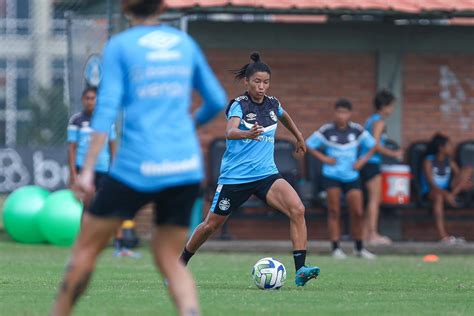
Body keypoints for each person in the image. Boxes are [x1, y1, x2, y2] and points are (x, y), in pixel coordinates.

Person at [51, 0, 227, 315]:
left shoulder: (121, 46)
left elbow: (105, 112)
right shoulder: (184, 43)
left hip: (137, 166)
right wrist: (188, 126)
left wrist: (87, 169)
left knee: (86, 249)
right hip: (184, 167)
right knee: (168, 258)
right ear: (162, 6)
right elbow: (215, 99)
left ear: (125, 7)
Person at [180, 52, 320, 287]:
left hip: (266, 174)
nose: (261, 86)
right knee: (210, 226)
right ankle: (180, 263)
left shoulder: (273, 104)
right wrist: (248, 133)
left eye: (266, 82)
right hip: (236, 178)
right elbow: (230, 131)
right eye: (257, 82)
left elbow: (284, 116)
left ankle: (301, 269)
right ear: (247, 81)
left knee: (297, 208)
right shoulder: (239, 105)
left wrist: (298, 136)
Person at [67, 87, 135, 258]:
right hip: (85, 169)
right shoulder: (76, 121)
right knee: (88, 207)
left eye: (94, 98)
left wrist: (116, 168)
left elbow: (113, 146)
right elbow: (72, 149)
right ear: (83, 100)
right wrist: (74, 174)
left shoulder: (106, 121)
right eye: (88, 98)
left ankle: (120, 246)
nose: (91, 101)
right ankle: (84, 244)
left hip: (104, 169)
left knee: (112, 205)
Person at [306, 99, 377, 260]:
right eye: (338, 112)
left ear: (349, 114)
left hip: (351, 176)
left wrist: (361, 161)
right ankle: (335, 248)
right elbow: (308, 145)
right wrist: (324, 158)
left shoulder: (357, 130)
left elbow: (373, 145)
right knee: (334, 211)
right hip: (332, 175)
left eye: (344, 112)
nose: (341, 115)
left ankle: (359, 247)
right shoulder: (327, 130)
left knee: (358, 211)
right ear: (334, 113)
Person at [360, 90, 403, 245]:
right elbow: (375, 144)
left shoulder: (370, 120)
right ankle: (373, 234)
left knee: (371, 200)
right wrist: (393, 153)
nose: (392, 110)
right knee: (374, 199)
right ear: (385, 106)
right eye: (391, 106)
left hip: (366, 163)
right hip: (371, 163)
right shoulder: (379, 121)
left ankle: (365, 234)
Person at [421, 133, 472, 244]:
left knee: (467, 168)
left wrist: (465, 184)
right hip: (432, 192)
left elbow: (459, 177)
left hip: (449, 191)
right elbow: (432, 184)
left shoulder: (449, 161)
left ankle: (453, 196)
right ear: (441, 147)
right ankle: (443, 236)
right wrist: (446, 195)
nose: (451, 147)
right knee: (439, 197)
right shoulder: (429, 161)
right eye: (449, 145)